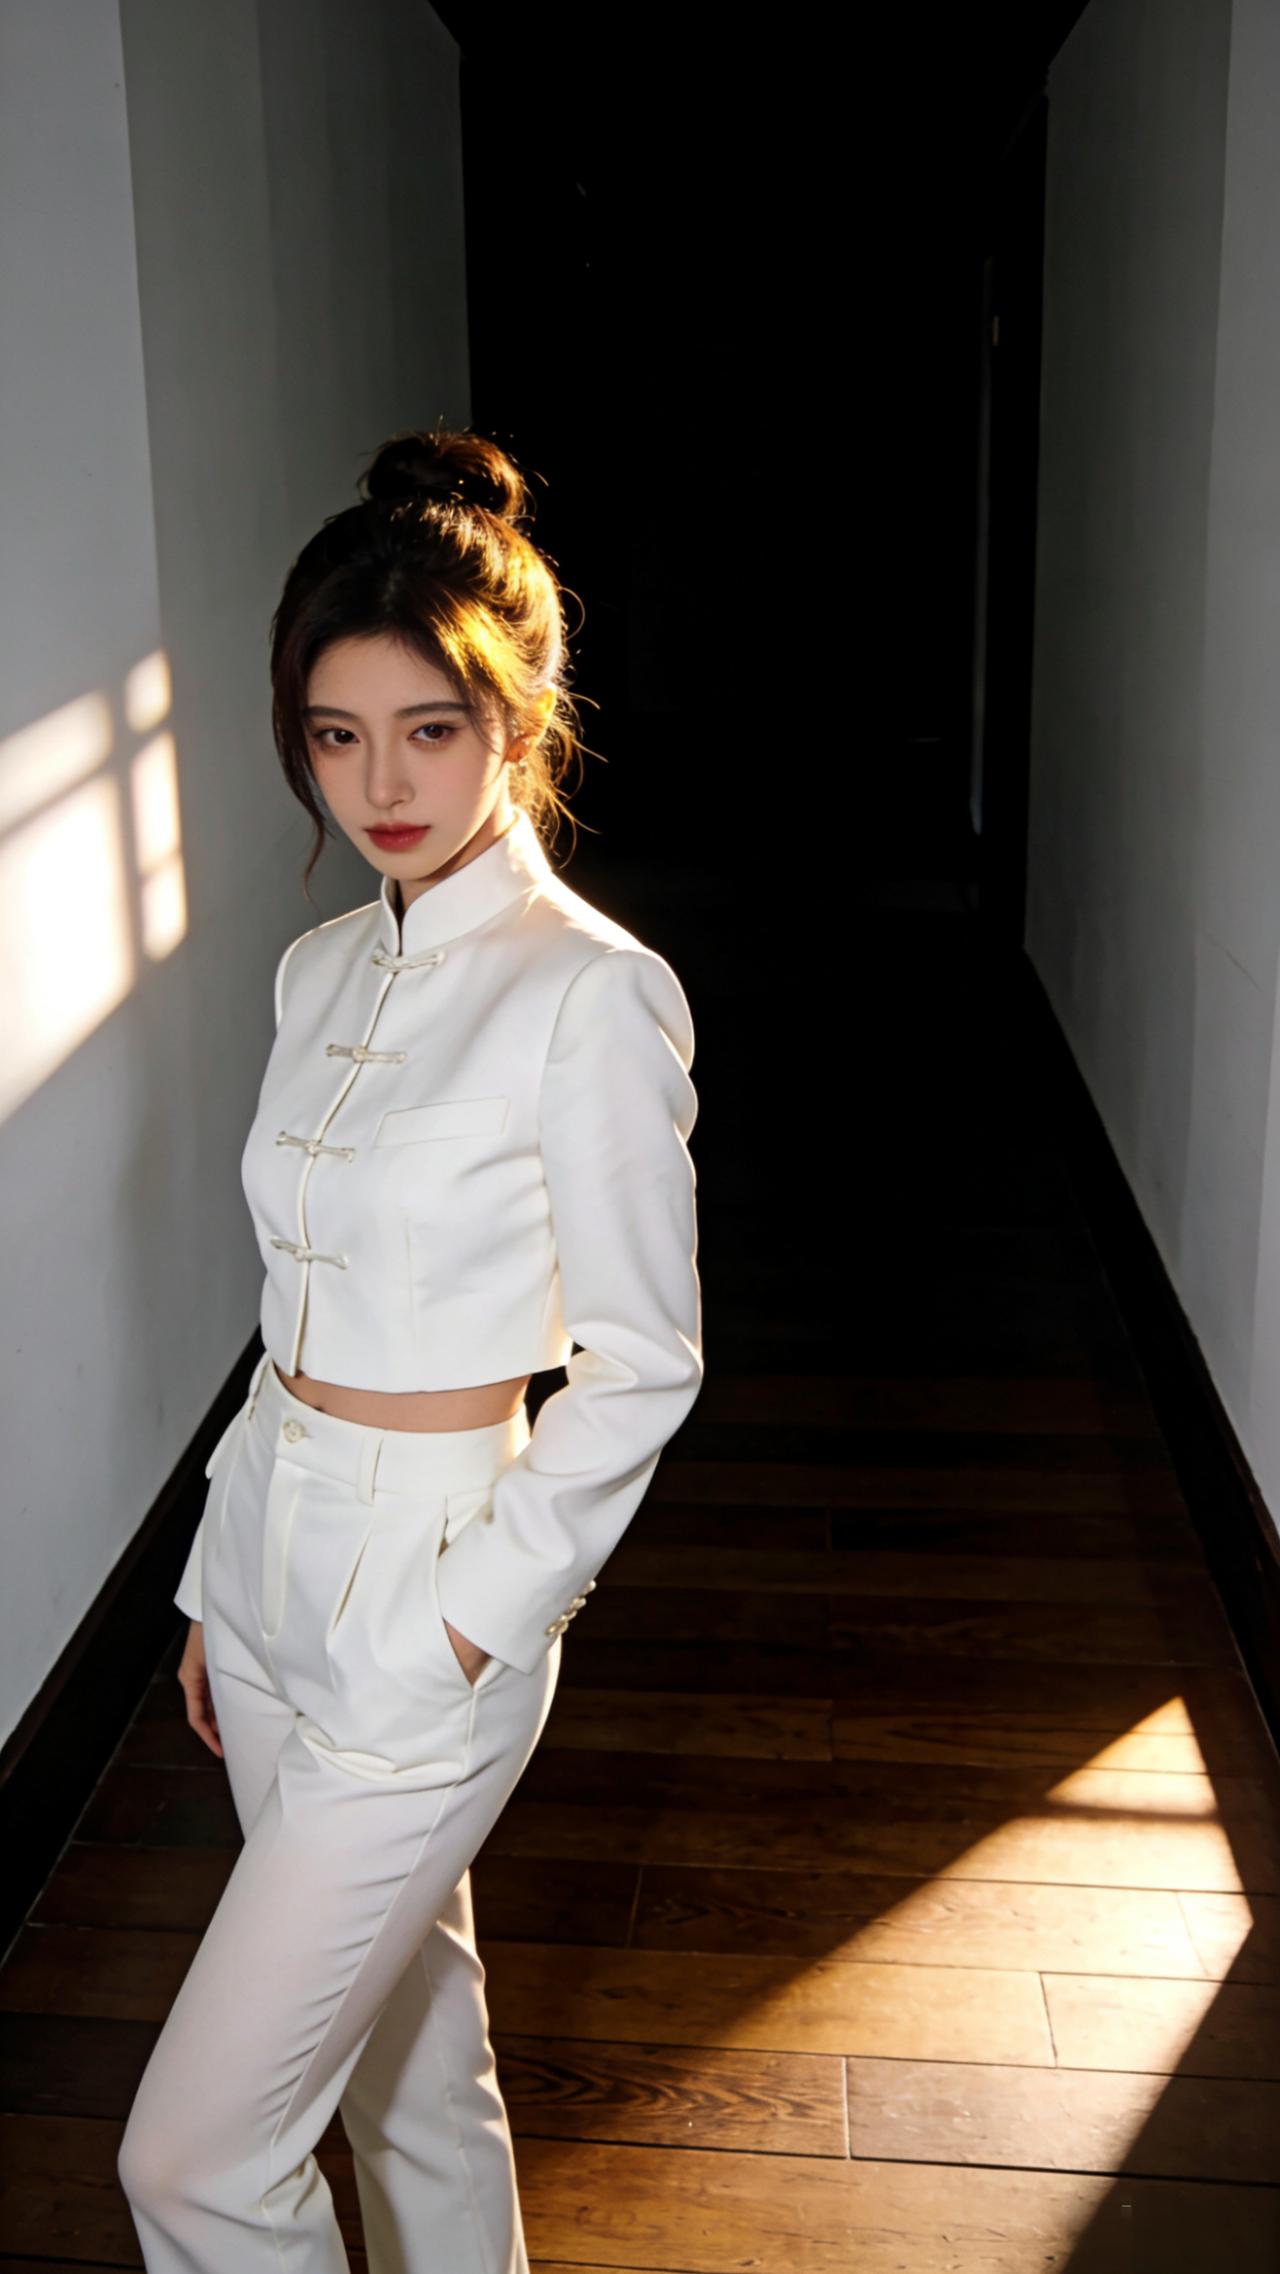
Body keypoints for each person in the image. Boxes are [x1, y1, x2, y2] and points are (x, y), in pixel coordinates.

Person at [117, 425, 704, 2271]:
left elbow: (647, 1360)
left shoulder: (589, 991)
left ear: (515, 721)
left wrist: (465, 1621)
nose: (379, 782)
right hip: (267, 1565)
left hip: (430, 1584)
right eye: (334, 734)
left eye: (428, 729)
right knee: (406, 2064)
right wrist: (218, 1576)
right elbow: (291, 1305)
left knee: (195, 2163)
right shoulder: (314, 974)